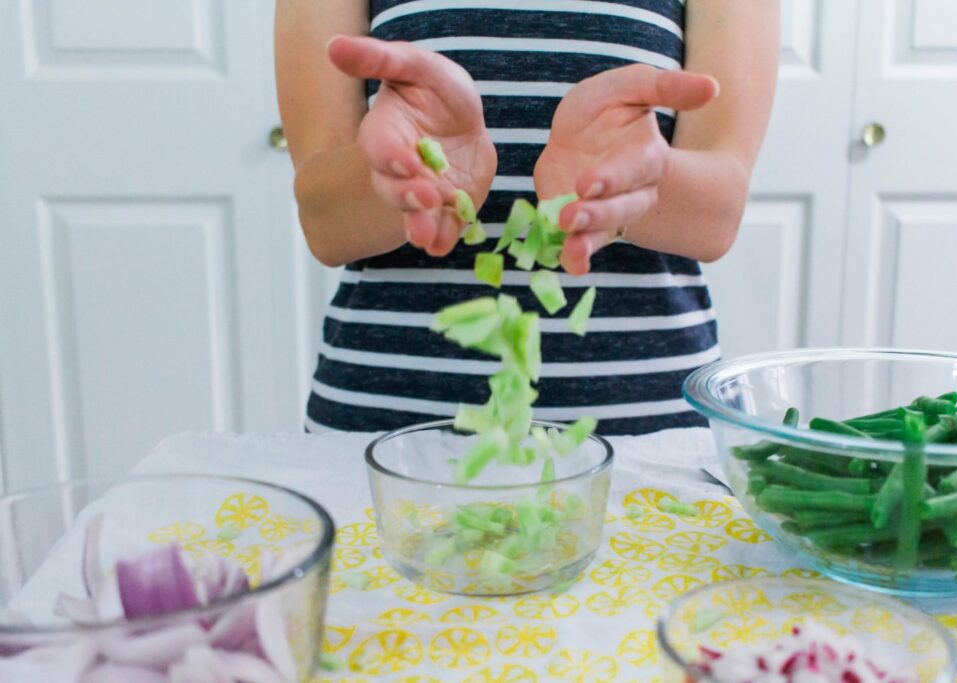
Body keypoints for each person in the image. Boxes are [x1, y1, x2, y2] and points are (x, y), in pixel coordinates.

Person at [275, 0, 779, 435]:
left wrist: (630, 180)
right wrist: (413, 170)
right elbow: (325, 224)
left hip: (650, 441)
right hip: (380, 435)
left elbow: (717, 216)